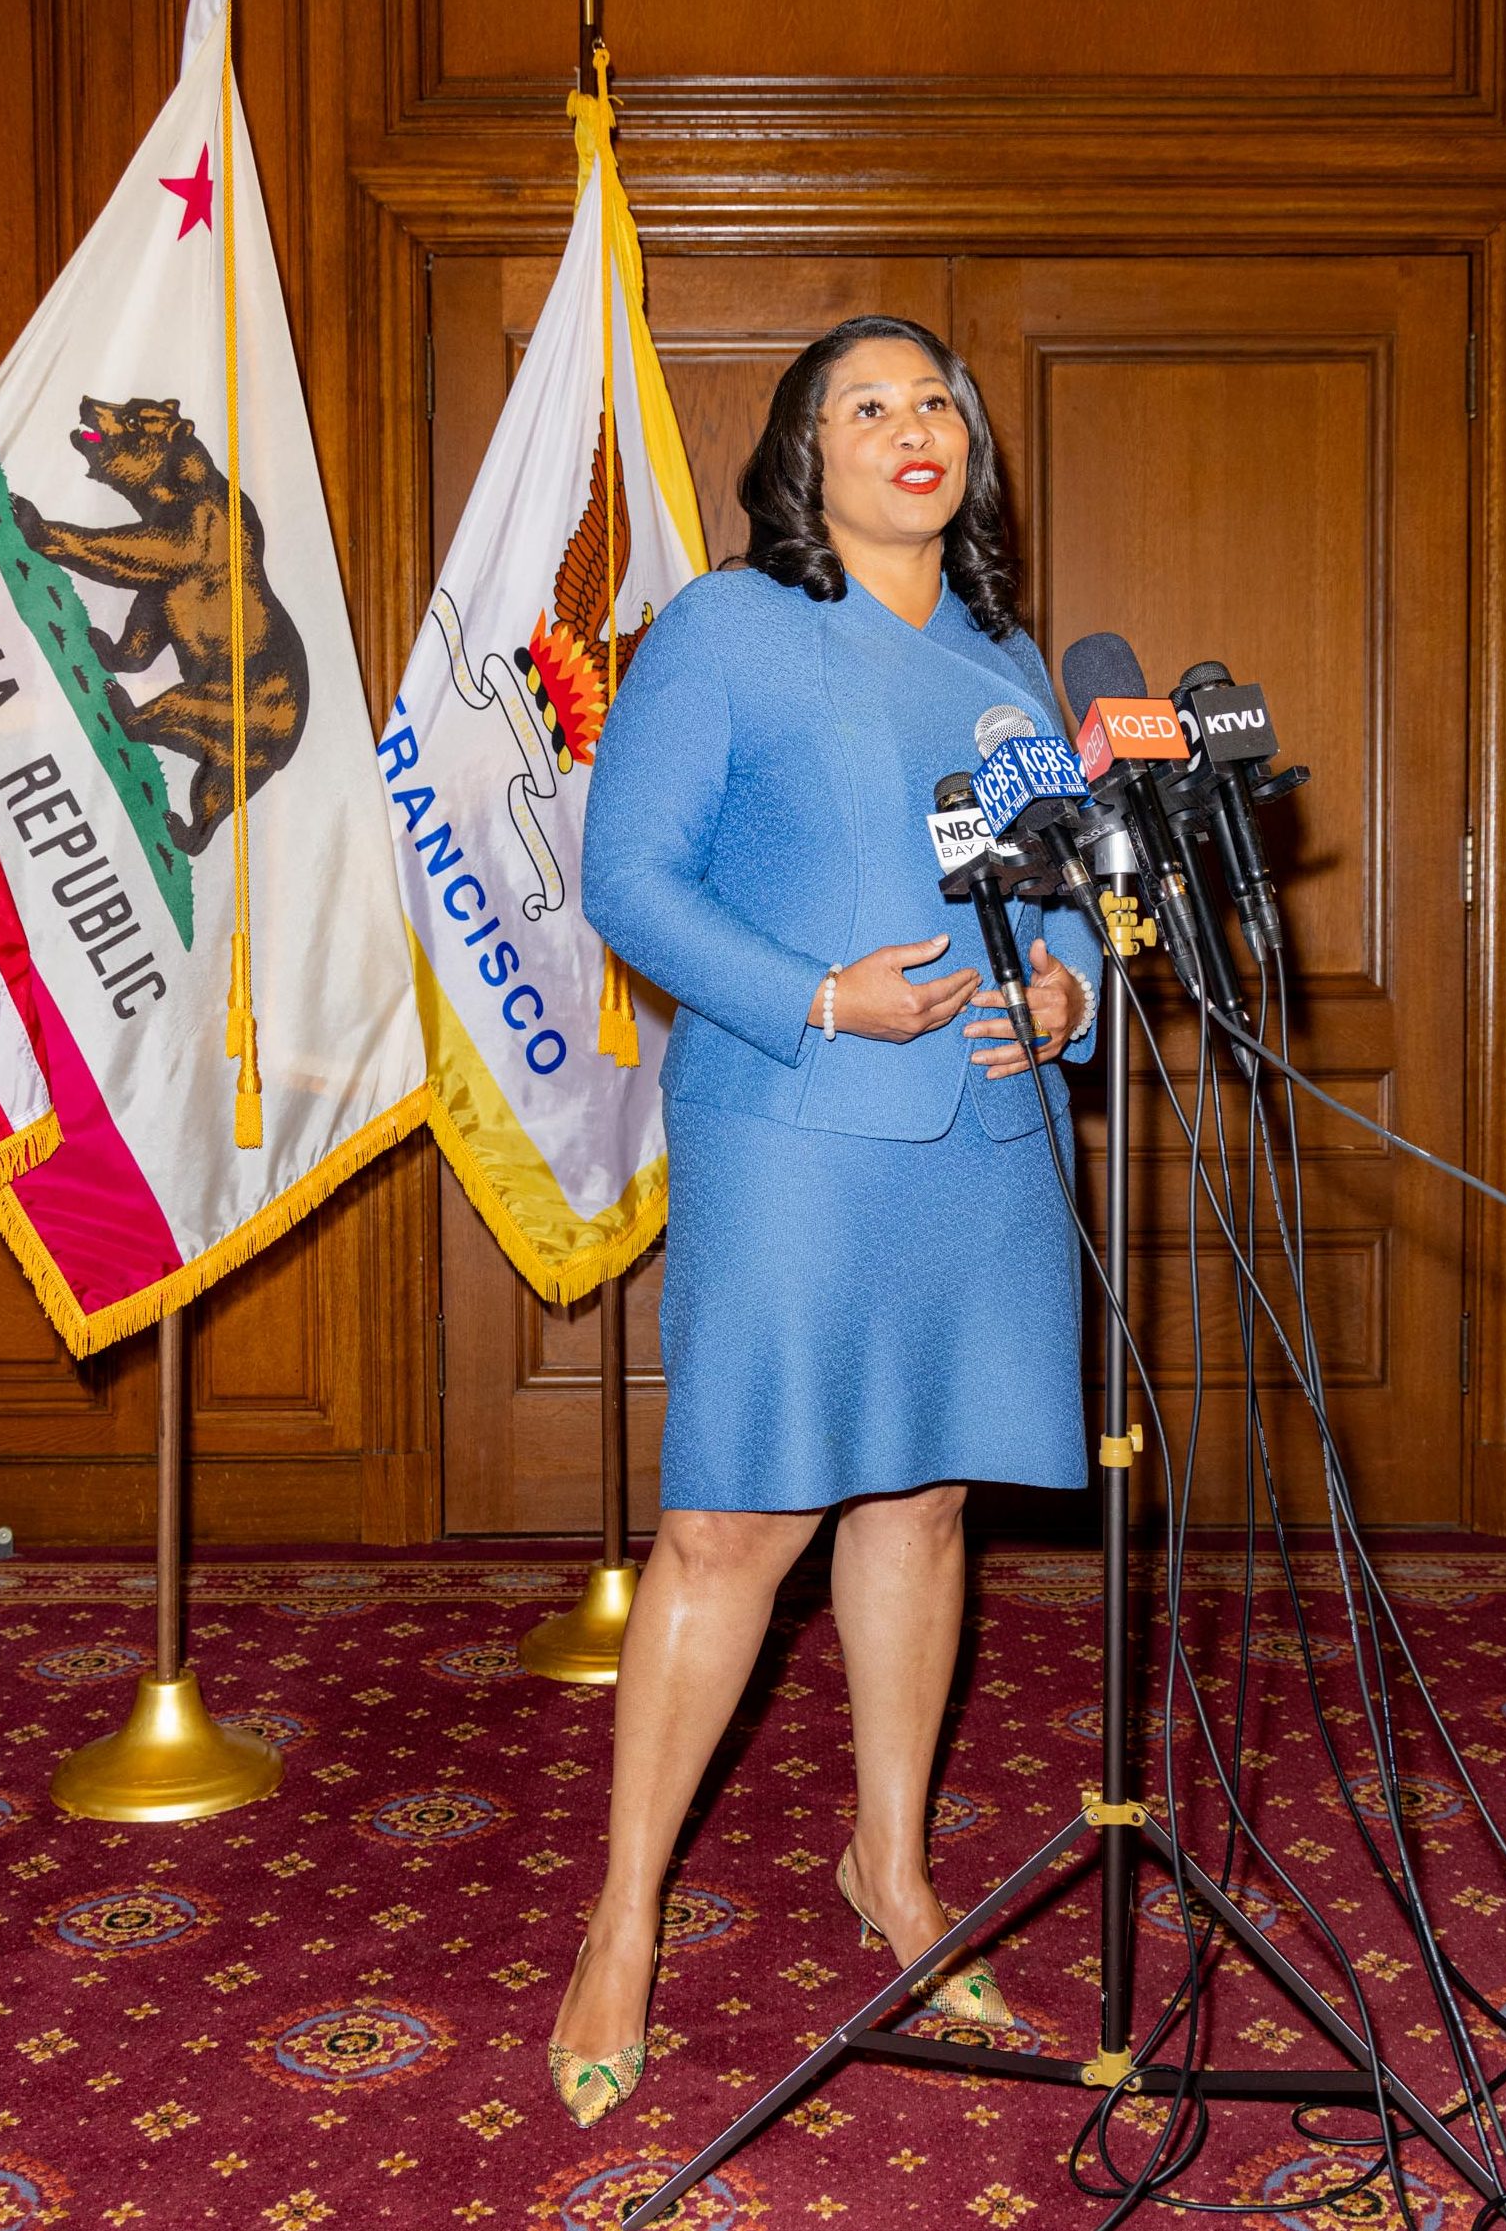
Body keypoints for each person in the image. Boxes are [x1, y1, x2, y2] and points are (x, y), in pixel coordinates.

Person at [546, 315, 1103, 2128]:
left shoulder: (1013, 657)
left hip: (986, 1137)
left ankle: (893, 1866)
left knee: (925, 1495)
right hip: (793, 1129)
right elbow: (630, 874)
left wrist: (1078, 994)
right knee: (730, 1526)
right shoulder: (727, 628)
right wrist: (815, 995)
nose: (910, 426)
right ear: (805, 456)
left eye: (934, 399)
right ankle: (622, 1918)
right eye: (865, 405)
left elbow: (1076, 887)